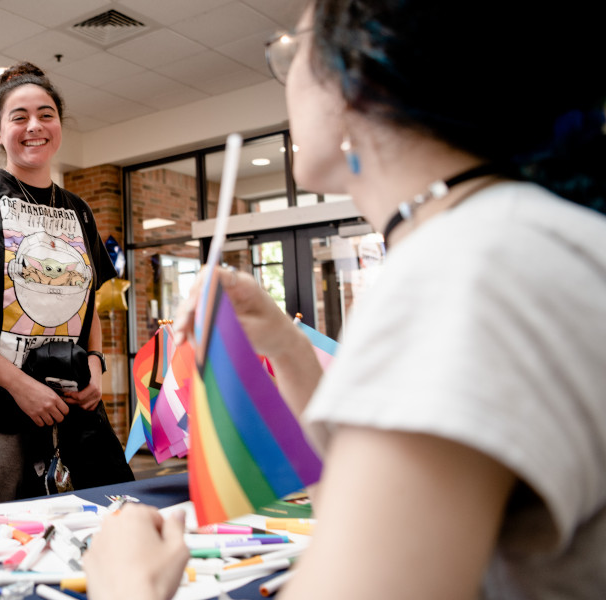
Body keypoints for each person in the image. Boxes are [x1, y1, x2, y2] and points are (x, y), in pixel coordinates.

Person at [84, 1, 606, 598]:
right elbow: (364, 503)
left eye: (293, 51)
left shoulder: (462, 270)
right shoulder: (512, 236)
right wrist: (283, 343)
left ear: (358, 79)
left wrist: (125, 584)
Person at [0, 62, 132, 507]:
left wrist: (94, 363)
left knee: (66, 528)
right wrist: (19, 385)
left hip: (63, 406)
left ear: (59, 125)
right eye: (19, 117)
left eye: (46, 114)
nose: (34, 126)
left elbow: (88, 302)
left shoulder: (80, 211)